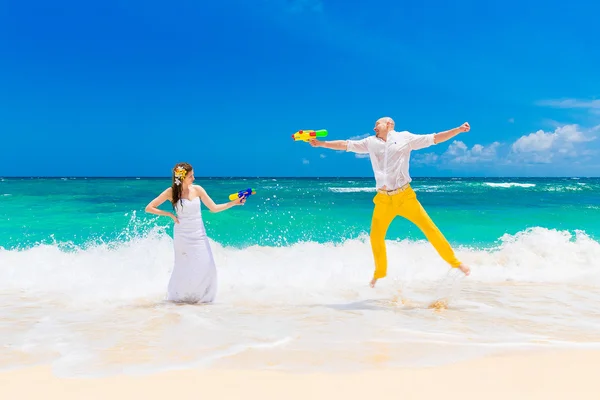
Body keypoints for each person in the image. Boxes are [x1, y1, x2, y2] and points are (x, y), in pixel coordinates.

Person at [308, 117, 471, 288]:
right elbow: (346, 145)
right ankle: (379, 275)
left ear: (389, 124)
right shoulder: (370, 142)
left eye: (377, 124)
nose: (374, 127)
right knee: (375, 237)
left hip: (405, 197)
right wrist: (321, 144)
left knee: (430, 229)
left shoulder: (405, 138)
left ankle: (456, 263)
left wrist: (457, 130)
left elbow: (435, 138)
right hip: (383, 200)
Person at [145, 162, 246, 303]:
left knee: (207, 265)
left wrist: (234, 203)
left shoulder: (198, 189)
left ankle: (202, 300)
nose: (194, 178)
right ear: (183, 177)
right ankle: (180, 299)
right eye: (191, 176)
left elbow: (214, 208)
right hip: (182, 235)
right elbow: (149, 207)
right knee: (184, 266)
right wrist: (169, 214)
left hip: (199, 234)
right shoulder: (171, 192)